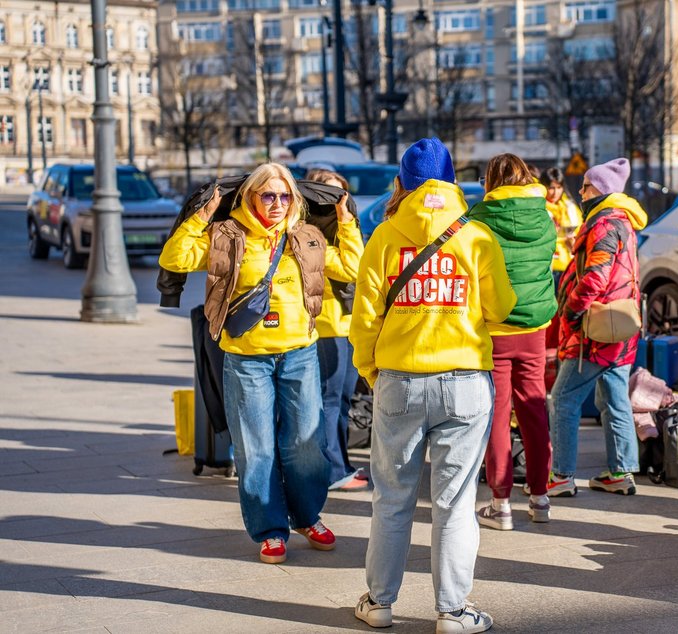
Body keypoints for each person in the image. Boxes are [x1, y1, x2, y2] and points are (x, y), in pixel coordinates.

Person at [349, 138, 516, 633]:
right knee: (455, 503)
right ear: (452, 183)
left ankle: (379, 603)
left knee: (391, 500)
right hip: (465, 381)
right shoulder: (476, 236)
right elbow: (502, 308)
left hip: (399, 380)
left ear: (401, 184)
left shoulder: (384, 237)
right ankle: (453, 612)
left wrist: (373, 372)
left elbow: (364, 320)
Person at [159, 162, 351, 564]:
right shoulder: (226, 237)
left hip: (300, 353)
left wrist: (346, 223)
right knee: (256, 448)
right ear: (250, 197)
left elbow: (352, 267)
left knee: (306, 445)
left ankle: (307, 517)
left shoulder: (306, 236)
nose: (277, 203)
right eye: (268, 195)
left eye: (285, 195)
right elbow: (175, 258)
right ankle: (270, 529)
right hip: (247, 359)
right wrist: (202, 217)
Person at [547, 158, 647, 497]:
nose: (581, 191)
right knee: (614, 399)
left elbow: (595, 277)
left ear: (602, 191)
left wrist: (572, 312)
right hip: (618, 329)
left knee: (563, 399)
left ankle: (561, 475)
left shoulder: (603, 225)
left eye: (587, 186)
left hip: (594, 332)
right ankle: (620, 472)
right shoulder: (623, 221)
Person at [467, 153, 557, 530]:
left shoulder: (479, 218)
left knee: (498, 415)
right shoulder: (546, 217)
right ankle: (540, 497)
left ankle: (500, 503)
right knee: (534, 411)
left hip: (494, 329)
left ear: (490, 181)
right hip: (535, 329)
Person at [305, 168, 368, 491]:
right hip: (327, 325)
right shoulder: (311, 238)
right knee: (330, 400)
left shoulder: (342, 231)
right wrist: (345, 222)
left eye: (341, 195)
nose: (337, 204)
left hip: (346, 324)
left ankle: (340, 465)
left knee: (342, 400)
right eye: (328, 195)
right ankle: (331, 471)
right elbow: (353, 267)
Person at [539, 167, 584, 285]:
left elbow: (581, 230)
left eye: (559, 187)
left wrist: (574, 241)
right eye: (551, 188)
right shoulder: (537, 208)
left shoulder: (570, 207)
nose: (555, 192)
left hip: (569, 265)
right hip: (547, 266)